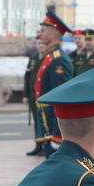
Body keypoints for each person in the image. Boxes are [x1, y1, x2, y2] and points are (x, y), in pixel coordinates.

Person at [27, 8, 73, 156]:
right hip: (46, 119)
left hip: (53, 123)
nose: (41, 34)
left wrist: (57, 134)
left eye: (44, 30)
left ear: (54, 32)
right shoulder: (50, 56)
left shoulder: (58, 59)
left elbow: (61, 99)